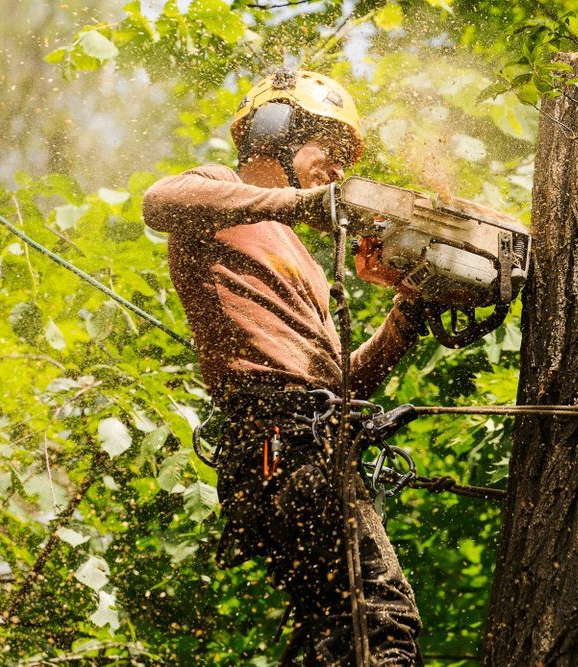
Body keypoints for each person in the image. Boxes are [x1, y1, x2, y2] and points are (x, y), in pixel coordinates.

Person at [143, 68, 426, 664]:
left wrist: (407, 313)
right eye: (334, 149)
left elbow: (335, 379)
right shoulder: (215, 192)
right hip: (278, 436)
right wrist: (305, 203)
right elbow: (159, 201)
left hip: (308, 435)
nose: (340, 169)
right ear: (277, 132)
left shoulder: (304, 259)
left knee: (334, 629)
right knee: (378, 618)